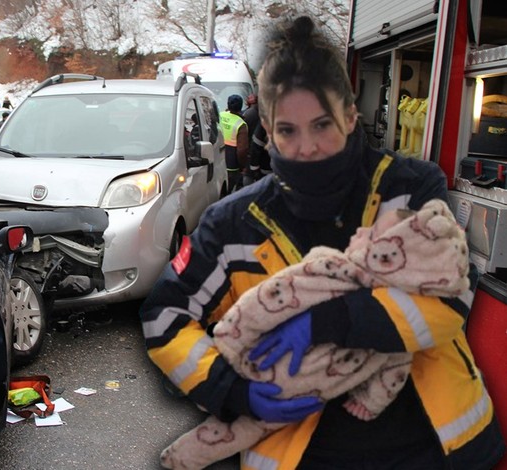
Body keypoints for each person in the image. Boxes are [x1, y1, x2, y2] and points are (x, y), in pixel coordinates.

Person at [141, 15, 504, 470]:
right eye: (288, 131)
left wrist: (327, 320)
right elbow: (165, 317)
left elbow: (451, 299)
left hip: (432, 449)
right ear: (267, 133)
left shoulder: (410, 187)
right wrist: (234, 391)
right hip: (302, 455)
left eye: (322, 124)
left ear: (351, 116)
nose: (307, 146)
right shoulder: (233, 223)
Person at [160, 200, 471, 469]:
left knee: (239, 429)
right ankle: (186, 446)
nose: (360, 232)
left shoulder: (336, 269)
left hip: (294, 392)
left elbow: (269, 298)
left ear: (389, 257)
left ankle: (181, 456)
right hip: (270, 362)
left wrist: (230, 337)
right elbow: (395, 366)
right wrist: (370, 401)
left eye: (372, 235)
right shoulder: (374, 297)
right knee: (240, 422)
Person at [219, 94, 249, 195]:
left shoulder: (220, 115)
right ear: (240, 107)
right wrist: (243, 166)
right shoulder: (241, 124)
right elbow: (242, 150)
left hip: (217, 161)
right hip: (231, 166)